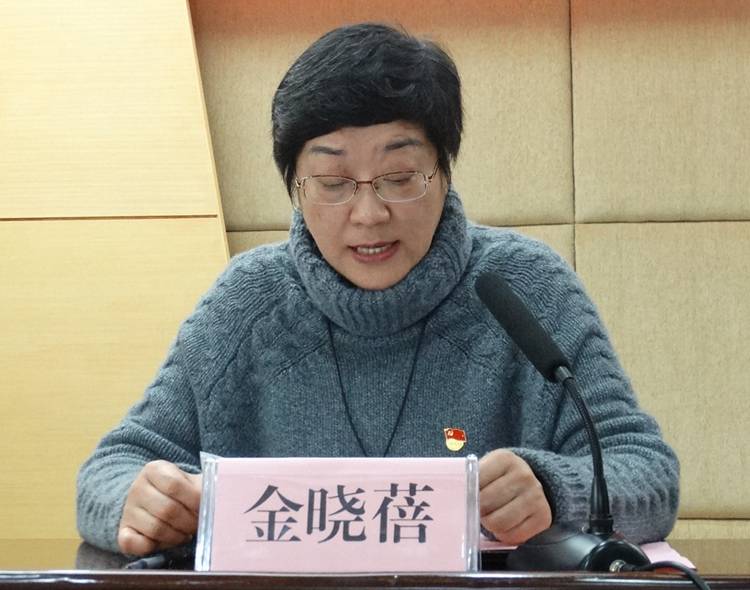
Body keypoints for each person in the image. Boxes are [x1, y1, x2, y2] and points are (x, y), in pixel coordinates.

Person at [77, 23, 679, 556]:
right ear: (295, 186)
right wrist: (139, 502)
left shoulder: (522, 286)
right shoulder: (249, 300)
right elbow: (111, 470)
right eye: (332, 181)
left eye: (399, 176)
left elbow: (645, 470)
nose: (368, 214)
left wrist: (554, 489)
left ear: (443, 171)